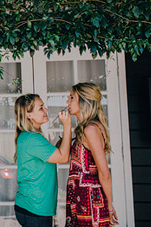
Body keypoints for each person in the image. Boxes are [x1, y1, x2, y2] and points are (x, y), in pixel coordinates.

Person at [14, 93, 72, 227]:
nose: (46, 110)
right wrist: (67, 125)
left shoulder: (28, 136)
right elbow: (63, 157)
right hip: (35, 208)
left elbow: (55, 155)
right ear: (29, 115)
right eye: (41, 108)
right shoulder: (32, 139)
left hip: (31, 207)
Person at [65, 83, 118, 226]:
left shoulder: (90, 129)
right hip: (80, 198)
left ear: (84, 101)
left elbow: (104, 172)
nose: (67, 102)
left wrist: (109, 205)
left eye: (72, 98)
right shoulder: (87, 128)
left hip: (89, 202)